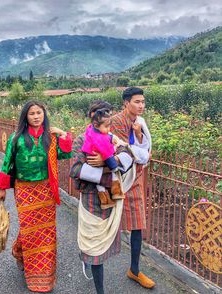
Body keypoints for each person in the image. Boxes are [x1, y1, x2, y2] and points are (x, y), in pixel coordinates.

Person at [0, 100, 72, 292]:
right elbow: (7, 163)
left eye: (39, 113)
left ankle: (43, 274)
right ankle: (27, 261)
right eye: (32, 113)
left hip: (46, 190)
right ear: (25, 117)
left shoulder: (50, 138)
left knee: (45, 232)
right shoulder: (16, 138)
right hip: (24, 190)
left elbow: (64, 154)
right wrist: (2, 188)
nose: (37, 116)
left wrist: (63, 134)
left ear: (44, 115)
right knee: (29, 228)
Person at [70, 100, 138, 294]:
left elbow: (128, 157)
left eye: (107, 114)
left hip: (110, 198)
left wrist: (108, 161)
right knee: (94, 246)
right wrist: (105, 173)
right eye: (98, 114)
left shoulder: (112, 138)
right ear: (93, 119)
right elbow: (76, 169)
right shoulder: (81, 140)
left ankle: (88, 259)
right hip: (92, 199)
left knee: (100, 247)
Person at [110, 87, 155, 289]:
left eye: (143, 102)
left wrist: (138, 137)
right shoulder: (117, 121)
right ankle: (92, 261)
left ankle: (135, 270)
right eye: (137, 102)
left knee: (138, 224)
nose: (141, 106)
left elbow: (145, 148)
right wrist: (142, 153)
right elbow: (122, 150)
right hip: (118, 179)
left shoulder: (140, 123)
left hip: (135, 178)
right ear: (126, 103)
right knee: (106, 222)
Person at [81, 107, 124, 210]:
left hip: (89, 156)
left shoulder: (90, 130)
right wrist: (114, 165)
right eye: (106, 127)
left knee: (98, 181)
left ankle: (105, 200)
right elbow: (107, 152)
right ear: (96, 125)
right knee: (113, 170)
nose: (109, 129)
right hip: (97, 155)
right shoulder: (101, 138)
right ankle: (116, 190)